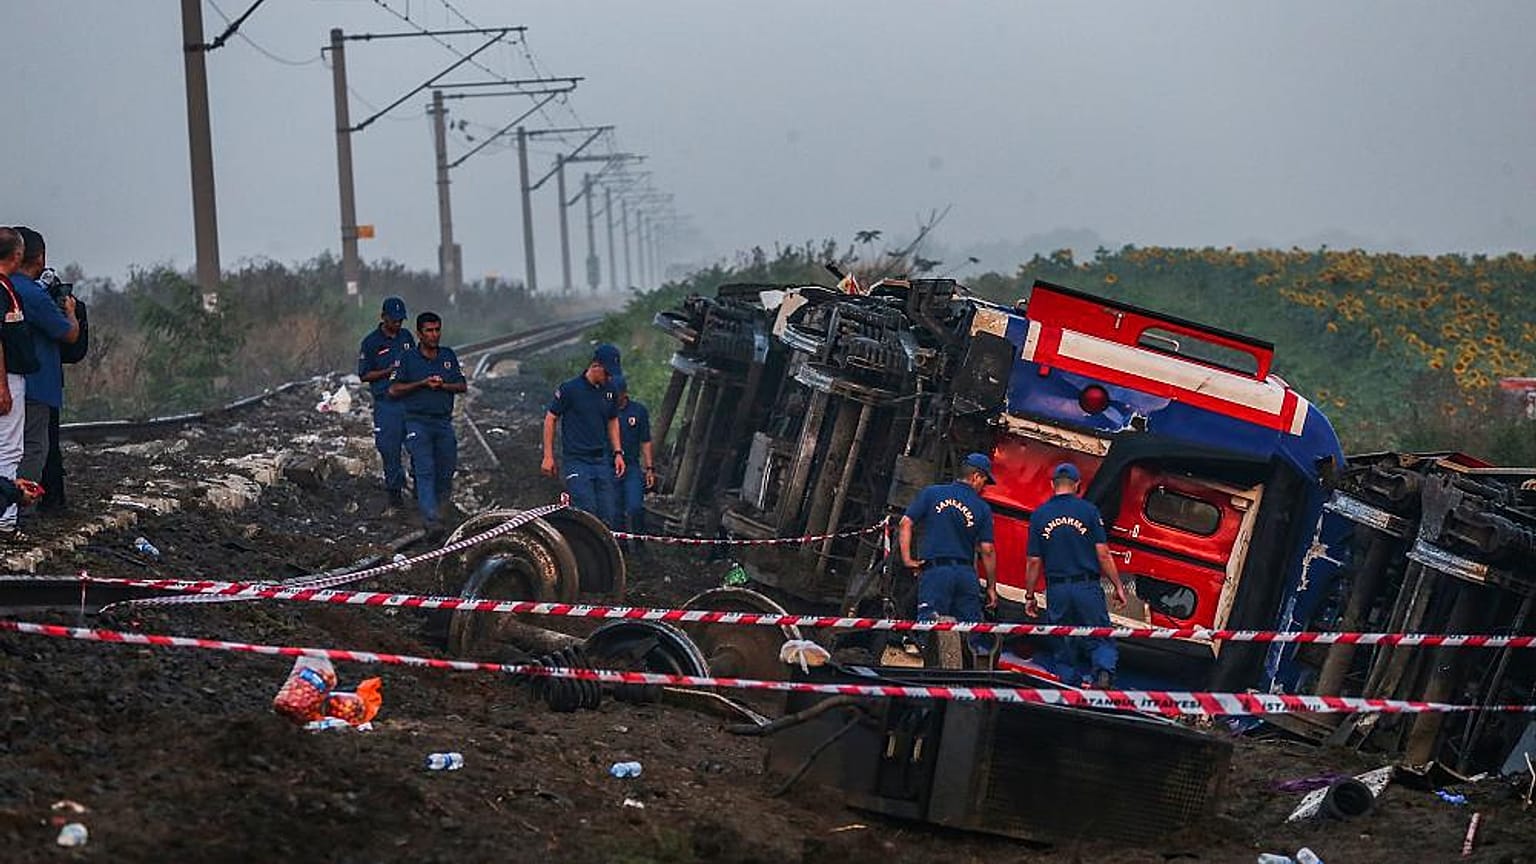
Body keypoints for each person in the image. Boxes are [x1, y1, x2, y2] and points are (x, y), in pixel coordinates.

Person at [1022, 462, 1129, 689]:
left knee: (1062, 639)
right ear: (1077, 485)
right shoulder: (1089, 512)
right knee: (1099, 634)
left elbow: (1033, 561)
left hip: (1057, 589)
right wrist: (1118, 585)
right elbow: (1103, 554)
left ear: (1052, 485)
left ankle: (1069, 685)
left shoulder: (1040, 515)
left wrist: (1029, 595)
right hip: (1086, 587)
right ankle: (1103, 674)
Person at [11, 229, 80, 516]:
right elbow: (68, 335)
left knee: (9, 448)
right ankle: (21, 512)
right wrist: (71, 311)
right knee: (34, 448)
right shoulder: (32, 293)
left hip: (11, 382)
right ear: (38, 258)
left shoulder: (6, 289)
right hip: (36, 384)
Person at [899, 452, 999, 628]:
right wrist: (991, 587)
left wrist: (908, 560)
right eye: (984, 481)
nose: (983, 487)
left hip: (936, 571)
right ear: (976, 477)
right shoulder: (983, 508)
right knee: (968, 631)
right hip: (965, 575)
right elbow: (987, 549)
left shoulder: (932, 493)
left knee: (930, 629)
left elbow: (905, 523)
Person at [387, 312, 466, 532]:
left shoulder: (448, 356)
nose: (434, 335)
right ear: (419, 333)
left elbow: (462, 385)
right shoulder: (408, 359)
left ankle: (441, 511)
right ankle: (431, 520)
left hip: (443, 423)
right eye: (429, 331)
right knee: (425, 470)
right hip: (417, 422)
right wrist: (421, 383)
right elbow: (393, 389)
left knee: (446, 469)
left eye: (437, 330)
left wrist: (443, 386)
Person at [542, 348, 625, 528]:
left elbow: (612, 420)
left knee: (608, 512)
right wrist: (548, 456)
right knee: (585, 510)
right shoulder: (570, 389)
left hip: (601, 459)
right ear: (595, 366)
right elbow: (551, 418)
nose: (610, 378)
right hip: (577, 459)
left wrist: (618, 452)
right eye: (607, 373)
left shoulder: (610, 390)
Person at [0, 227, 40, 536]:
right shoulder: (2, 289)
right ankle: (6, 518)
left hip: (10, 375)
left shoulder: (6, 286)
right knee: (9, 448)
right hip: (7, 376)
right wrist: (2, 386)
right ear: (16, 255)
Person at [357, 296, 414, 508]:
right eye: (393, 320)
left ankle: (421, 494)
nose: (397, 325)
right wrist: (388, 371)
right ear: (383, 318)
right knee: (390, 450)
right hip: (386, 403)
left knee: (418, 445)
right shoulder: (371, 342)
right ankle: (395, 497)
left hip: (409, 401)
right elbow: (364, 374)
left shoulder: (407, 337)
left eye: (400, 321)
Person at [611, 375, 655, 548]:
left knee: (635, 507)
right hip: (610, 467)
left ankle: (640, 543)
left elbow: (645, 441)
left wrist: (650, 467)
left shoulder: (638, 411)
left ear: (624, 393)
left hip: (631, 467)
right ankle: (621, 550)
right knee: (615, 512)